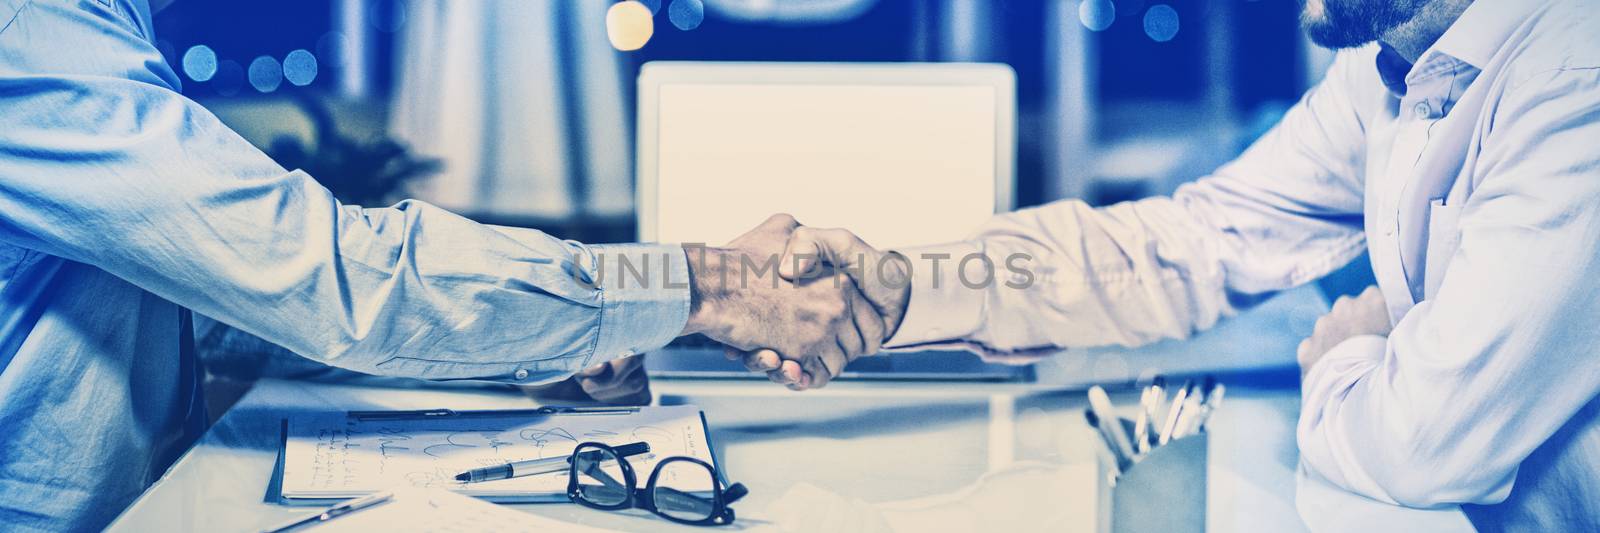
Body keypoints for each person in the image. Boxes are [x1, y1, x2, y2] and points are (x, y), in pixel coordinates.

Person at [0, 1, 881, 530]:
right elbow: (331, 274)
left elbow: (203, 287)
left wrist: (529, 345)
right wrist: (708, 283)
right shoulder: (31, 33)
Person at [746, 0, 1600, 529]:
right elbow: (1192, 241)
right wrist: (905, 292)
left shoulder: (1576, 70)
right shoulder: (1385, 69)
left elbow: (1423, 444)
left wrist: (1349, 354)